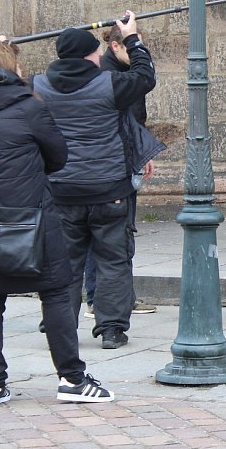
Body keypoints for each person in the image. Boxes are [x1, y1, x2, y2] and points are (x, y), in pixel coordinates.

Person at [0, 36, 114, 403]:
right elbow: (58, 157)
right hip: (32, 218)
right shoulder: (29, 108)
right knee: (58, 292)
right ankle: (72, 379)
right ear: (13, 69)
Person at [32, 11, 157, 350]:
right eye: (96, 53)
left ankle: (60, 323)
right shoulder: (110, 85)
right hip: (108, 188)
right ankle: (112, 329)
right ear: (89, 55)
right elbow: (145, 76)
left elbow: (5, 81)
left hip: (62, 189)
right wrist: (132, 38)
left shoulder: (38, 86)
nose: (100, 56)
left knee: (66, 263)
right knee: (113, 260)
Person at [82, 23, 160, 320]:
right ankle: (98, 298)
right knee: (106, 234)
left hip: (124, 158)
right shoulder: (109, 75)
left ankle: (118, 298)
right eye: (132, 44)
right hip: (112, 164)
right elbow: (122, 119)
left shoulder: (119, 71)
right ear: (116, 46)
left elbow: (133, 119)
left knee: (119, 232)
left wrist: (142, 151)